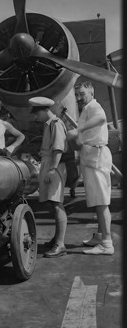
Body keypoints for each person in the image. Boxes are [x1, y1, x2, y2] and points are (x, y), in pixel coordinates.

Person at [67, 81, 114, 255]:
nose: (79, 98)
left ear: (91, 94)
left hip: (96, 157)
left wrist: (77, 130)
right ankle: (101, 235)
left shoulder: (94, 106)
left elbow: (102, 118)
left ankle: (107, 244)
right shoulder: (86, 109)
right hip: (90, 155)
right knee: (96, 200)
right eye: (77, 95)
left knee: (101, 202)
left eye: (82, 94)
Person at [29, 96, 68, 258]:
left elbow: (58, 149)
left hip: (54, 165)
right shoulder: (49, 124)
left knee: (57, 204)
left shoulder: (56, 124)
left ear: (46, 110)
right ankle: (56, 239)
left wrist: (52, 170)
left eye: (37, 113)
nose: (35, 116)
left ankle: (60, 244)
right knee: (53, 204)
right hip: (49, 163)